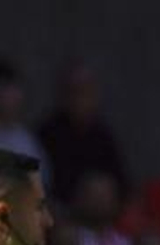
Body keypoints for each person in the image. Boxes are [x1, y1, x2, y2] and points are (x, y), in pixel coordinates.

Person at [35, 61, 130, 212]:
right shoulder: (48, 134)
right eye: (74, 91)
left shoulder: (102, 134)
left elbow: (122, 184)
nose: (80, 98)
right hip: (64, 217)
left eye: (86, 90)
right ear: (62, 95)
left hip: (106, 217)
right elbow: (46, 187)